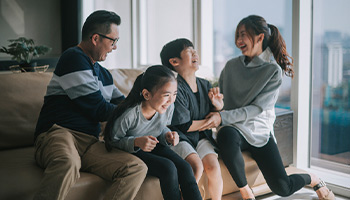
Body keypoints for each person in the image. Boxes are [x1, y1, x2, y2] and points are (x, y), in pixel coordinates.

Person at [206, 15, 335, 200]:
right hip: (235, 127)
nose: (238, 41)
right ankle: (246, 193)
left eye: (243, 35)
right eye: (237, 35)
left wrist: (222, 117)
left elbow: (257, 109)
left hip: (259, 130)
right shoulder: (230, 66)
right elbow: (224, 103)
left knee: (283, 188)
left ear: (259, 37)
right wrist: (219, 106)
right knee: (226, 135)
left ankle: (314, 179)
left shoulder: (273, 71)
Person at [33, 10, 147, 200]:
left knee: (135, 167)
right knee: (67, 162)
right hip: (59, 133)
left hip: (90, 142)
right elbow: (99, 109)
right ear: (95, 38)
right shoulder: (73, 58)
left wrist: (147, 104)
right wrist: (135, 112)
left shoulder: (104, 75)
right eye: (113, 41)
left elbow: (124, 104)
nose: (114, 47)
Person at [103, 65, 202, 200]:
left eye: (175, 94)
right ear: (146, 94)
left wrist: (167, 135)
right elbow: (112, 141)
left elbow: (160, 128)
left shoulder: (167, 106)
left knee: (185, 167)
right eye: (167, 95)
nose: (171, 100)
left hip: (151, 146)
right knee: (168, 168)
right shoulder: (129, 115)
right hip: (130, 151)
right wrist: (136, 142)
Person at [160, 38, 224, 200]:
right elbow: (184, 126)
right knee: (196, 168)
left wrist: (218, 108)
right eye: (189, 51)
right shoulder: (174, 87)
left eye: (194, 50)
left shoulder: (205, 85)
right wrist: (213, 120)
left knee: (213, 167)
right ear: (174, 61)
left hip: (201, 137)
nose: (195, 53)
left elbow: (214, 113)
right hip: (179, 137)